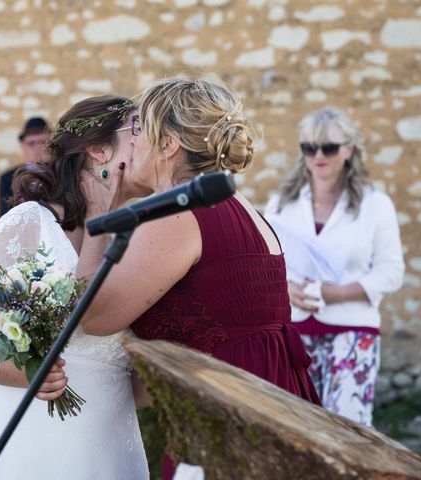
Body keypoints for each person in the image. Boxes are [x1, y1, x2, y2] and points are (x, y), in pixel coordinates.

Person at [73, 78, 321, 480]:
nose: (132, 143)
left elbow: (94, 316)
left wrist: (96, 218)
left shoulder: (177, 214)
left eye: (140, 130)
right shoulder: (239, 206)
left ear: (168, 144)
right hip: (266, 395)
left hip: (228, 413)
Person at [0, 96, 149, 479]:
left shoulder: (146, 232)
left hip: (109, 444)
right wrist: (30, 374)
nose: (151, 140)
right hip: (26, 439)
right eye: (138, 130)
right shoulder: (28, 224)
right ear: (98, 149)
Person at [264, 107, 404, 427]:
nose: (318, 156)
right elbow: (266, 266)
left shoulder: (376, 204)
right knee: (295, 428)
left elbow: (391, 271)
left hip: (353, 328)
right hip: (295, 331)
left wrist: (336, 293)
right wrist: (286, 290)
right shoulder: (281, 204)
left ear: (349, 150)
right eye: (308, 148)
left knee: (347, 429)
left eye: (329, 147)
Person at [0, 116, 51, 217]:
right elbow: (4, 216)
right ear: (23, 147)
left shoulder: (62, 172)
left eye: (43, 142)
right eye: (31, 143)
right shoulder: (8, 177)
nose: (37, 147)